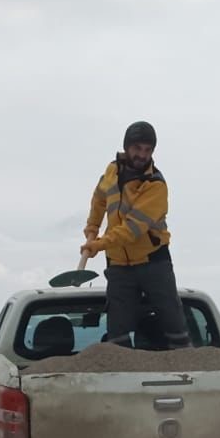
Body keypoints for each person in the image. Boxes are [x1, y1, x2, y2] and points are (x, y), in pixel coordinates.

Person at [80, 120, 192, 349]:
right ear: (127, 146)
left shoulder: (155, 185)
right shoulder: (112, 170)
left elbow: (132, 229)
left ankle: (184, 363)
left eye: (147, 150)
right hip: (118, 263)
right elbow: (99, 198)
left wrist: (99, 244)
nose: (142, 155)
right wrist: (92, 228)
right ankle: (121, 369)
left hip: (153, 260)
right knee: (117, 330)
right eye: (137, 148)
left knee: (171, 317)